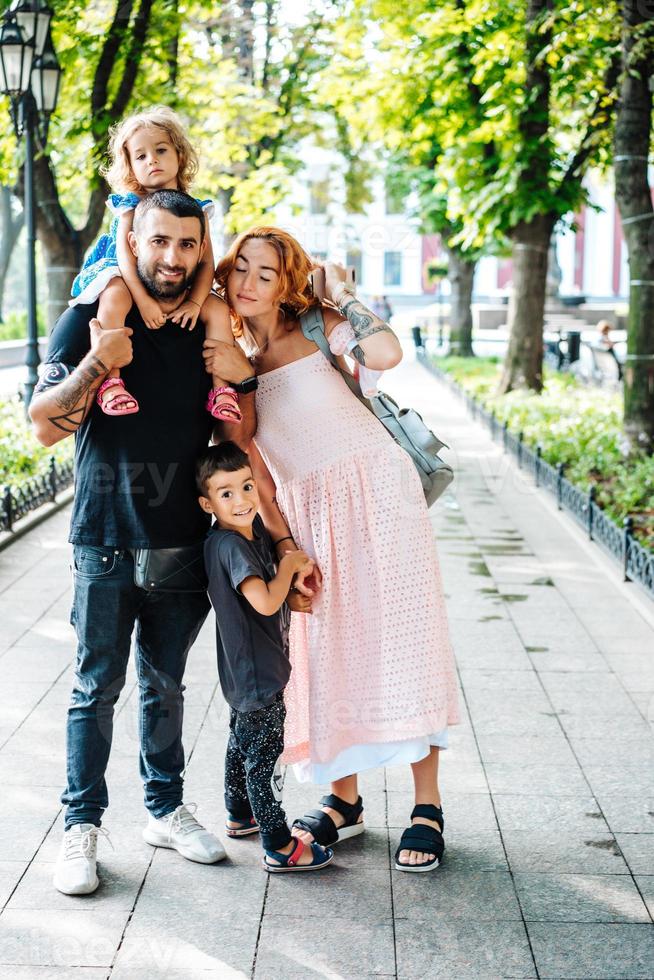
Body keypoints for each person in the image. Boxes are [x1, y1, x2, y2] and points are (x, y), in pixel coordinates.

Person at [207, 226, 460, 873]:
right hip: (304, 513)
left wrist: (345, 296)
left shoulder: (318, 323)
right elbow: (256, 468)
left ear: (288, 281)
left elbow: (388, 352)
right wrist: (286, 545)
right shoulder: (227, 361)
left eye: (267, 272)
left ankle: (425, 806)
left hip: (379, 495)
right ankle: (343, 800)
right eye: (242, 269)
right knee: (324, 650)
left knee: (403, 641)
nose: (250, 283)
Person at [29, 189, 257, 896]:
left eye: (187, 244)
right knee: (97, 687)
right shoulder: (92, 313)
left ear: (201, 248)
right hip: (105, 536)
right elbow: (41, 424)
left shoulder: (207, 326)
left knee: (165, 684)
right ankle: (80, 827)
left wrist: (234, 379)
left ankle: (163, 809)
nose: (173, 258)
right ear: (136, 239)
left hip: (183, 539)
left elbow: (237, 434)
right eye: (159, 242)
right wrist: (99, 362)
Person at [197, 441, 333, 873]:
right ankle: (278, 844)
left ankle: (239, 814)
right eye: (226, 493)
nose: (241, 500)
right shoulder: (233, 546)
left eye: (247, 486)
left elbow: (263, 600)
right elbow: (262, 603)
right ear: (207, 503)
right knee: (264, 757)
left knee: (241, 743)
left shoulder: (239, 538)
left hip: (242, 670)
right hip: (258, 672)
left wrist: (289, 596)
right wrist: (291, 567)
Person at [70, 106, 241, 423]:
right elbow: (124, 255)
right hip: (127, 273)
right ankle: (112, 381)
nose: (152, 160)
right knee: (114, 293)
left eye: (161, 150)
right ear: (131, 165)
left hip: (178, 279)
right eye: (141, 156)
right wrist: (144, 301)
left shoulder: (195, 209)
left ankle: (221, 390)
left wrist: (194, 301)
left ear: (179, 154)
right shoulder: (129, 204)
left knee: (217, 309)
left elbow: (205, 263)